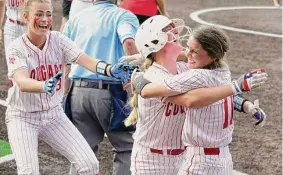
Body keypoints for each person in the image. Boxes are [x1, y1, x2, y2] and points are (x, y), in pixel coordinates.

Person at [5, 0, 135, 174]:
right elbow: (22, 81)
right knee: (29, 171)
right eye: (39, 14)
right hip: (23, 117)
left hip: (53, 115)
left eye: (49, 14)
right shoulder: (16, 48)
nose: (45, 19)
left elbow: (86, 61)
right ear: (26, 16)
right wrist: (43, 85)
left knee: (89, 164)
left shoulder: (58, 40)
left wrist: (110, 69)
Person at [129, 24, 267, 175]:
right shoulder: (221, 70)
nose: (186, 52)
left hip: (193, 160)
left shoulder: (192, 73)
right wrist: (243, 102)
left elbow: (153, 92)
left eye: (193, 50)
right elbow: (213, 94)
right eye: (170, 33)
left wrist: (136, 78)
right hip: (155, 159)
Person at [63, 0, 139, 174]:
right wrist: (136, 72)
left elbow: (66, 58)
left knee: (83, 152)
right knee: (126, 148)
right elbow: (128, 42)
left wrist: (65, 91)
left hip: (78, 91)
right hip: (112, 91)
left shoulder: (77, 18)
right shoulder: (123, 15)